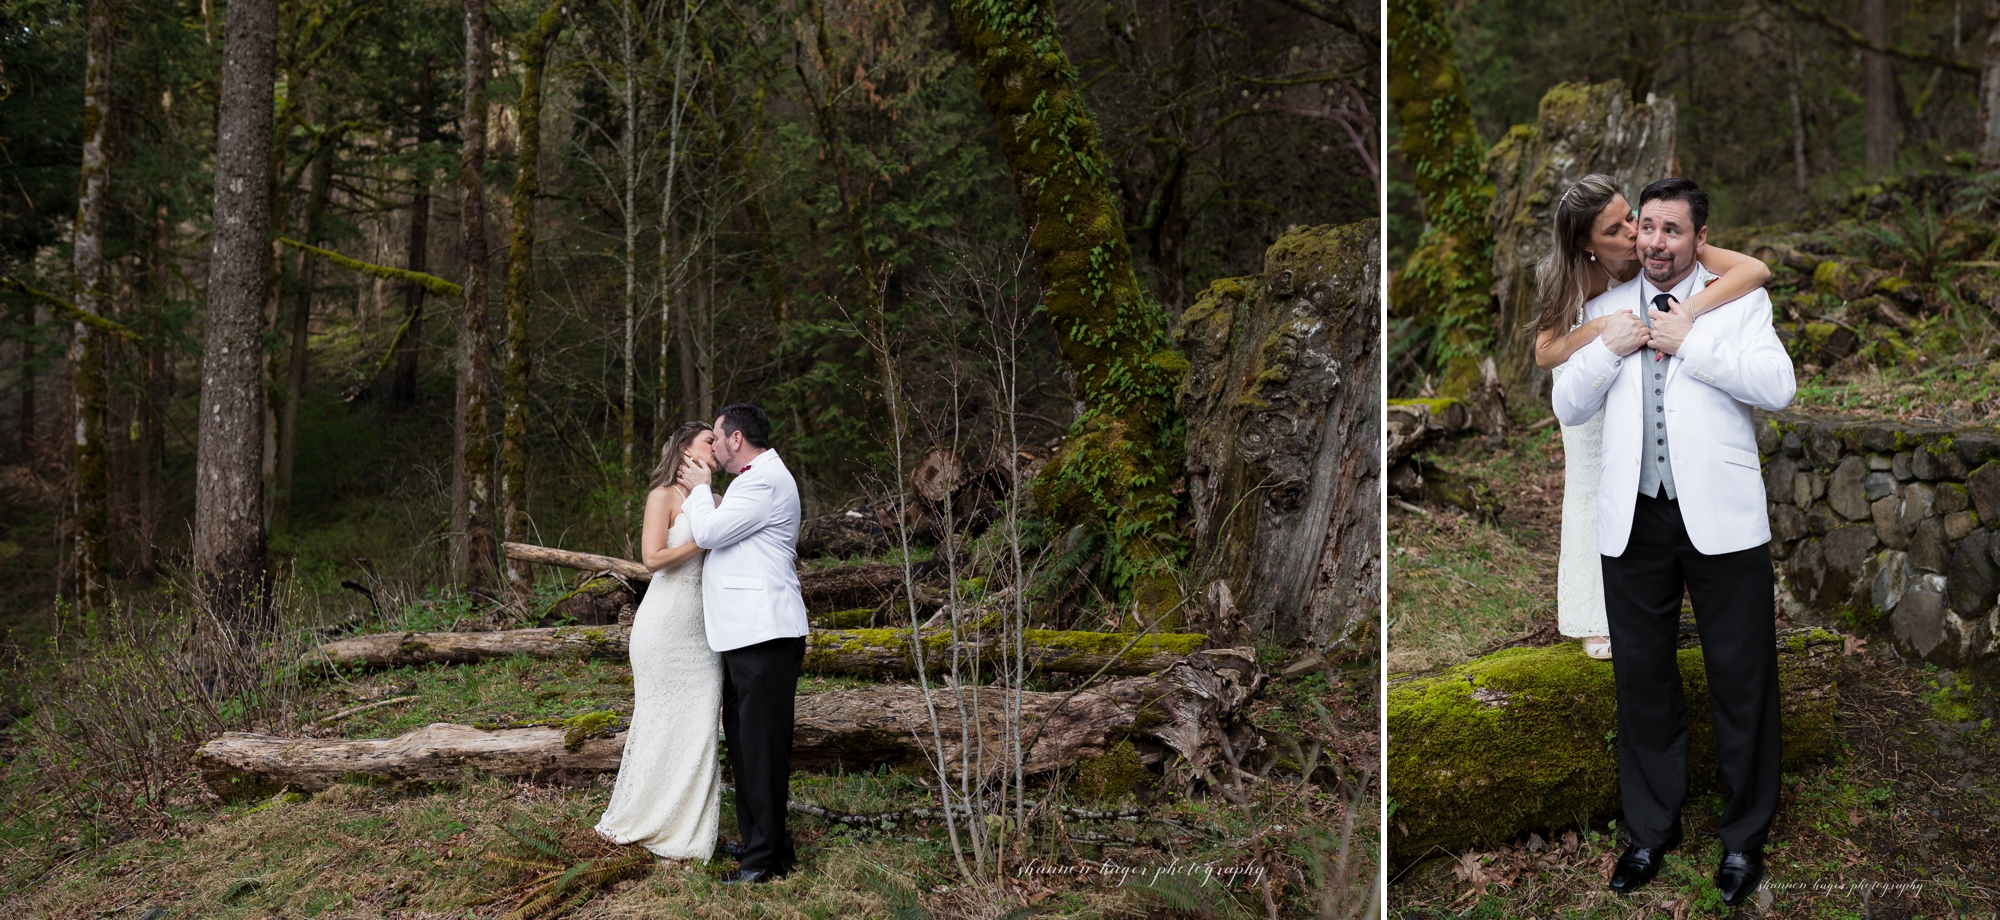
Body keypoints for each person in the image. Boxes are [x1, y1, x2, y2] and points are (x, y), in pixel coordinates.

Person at [1551, 177, 1795, 906]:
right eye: (1645, 228)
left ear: (1697, 238)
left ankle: (1744, 838)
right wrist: (1607, 349)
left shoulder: (1739, 301)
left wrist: (1692, 345)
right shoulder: (1598, 309)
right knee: (1644, 681)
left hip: (1721, 518)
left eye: (1671, 231)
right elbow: (1566, 402)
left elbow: (1777, 387)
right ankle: (1651, 831)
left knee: (1742, 678)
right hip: (1634, 521)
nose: (1654, 242)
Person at [1531, 174, 1772, 660]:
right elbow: (1545, 352)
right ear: (1587, 244)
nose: (1634, 231)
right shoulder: (1580, 277)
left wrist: (1689, 310)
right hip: (1590, 365)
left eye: (1629, 216)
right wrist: (1599, 329)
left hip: (1649, 346)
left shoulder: (1671, 245)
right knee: (1592, 482)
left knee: (1633, 477)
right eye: (1615, 229)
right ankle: (1591, 614)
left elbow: (1755, 270)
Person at [675, 403, 809, 885]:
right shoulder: (752, 481)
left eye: (716, 436)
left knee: (762, 747)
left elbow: (708, 533)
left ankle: (764, 861)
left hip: (765, 633)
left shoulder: (762, 480)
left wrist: (698, 491)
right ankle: (763, 845)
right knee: (750, 746)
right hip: (745, 635)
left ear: (736, 439)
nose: (711, 445)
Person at [593, 422, 724, 861]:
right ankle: (646, 817)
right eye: (709, 440)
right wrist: (700, 541)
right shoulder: (662, 496)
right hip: (664, 626)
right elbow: (652, 559)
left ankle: (688, 827)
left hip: (704, 635)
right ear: (686, 449)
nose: (717, 445)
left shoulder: (717, 501)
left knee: (700, 724)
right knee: (659, 720)